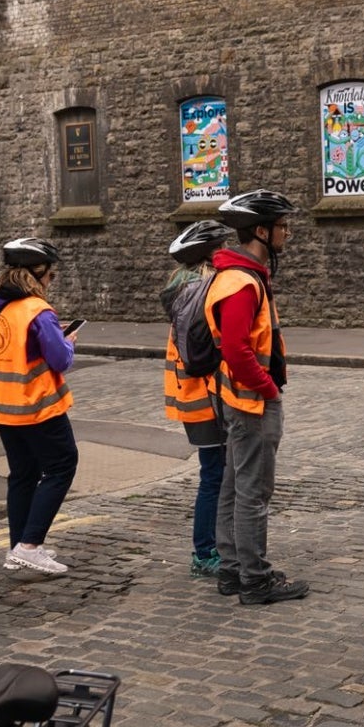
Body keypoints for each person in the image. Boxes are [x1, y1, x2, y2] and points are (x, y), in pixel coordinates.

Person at [208, 189, 308, 605]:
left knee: (234, 483)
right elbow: (235, 348)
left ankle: (232, 569)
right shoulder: (242, 283)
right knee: (253, 490)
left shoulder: (238, 275)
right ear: (262, 232)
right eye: (282, 226)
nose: (287, 233)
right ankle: (255, 578)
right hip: (251, 401)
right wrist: (267, 389)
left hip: (236, 397)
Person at [0, 236, 78, 575]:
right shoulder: (38, 310)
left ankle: (17, 546)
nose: (51, 282)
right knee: (62, 465)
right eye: (51, 275)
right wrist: (66, 341)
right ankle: (30, 545)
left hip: (0, 407)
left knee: (23, 474)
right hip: (35, 406)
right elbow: (59, 359)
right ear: (39, 274)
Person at [162, 219, 232, 576]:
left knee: (216, 472)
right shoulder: (200, 292)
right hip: (205, 397)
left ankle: (215, 544)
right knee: (214, 475)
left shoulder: (182, 290)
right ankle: (205, 551)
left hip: (192, 397)